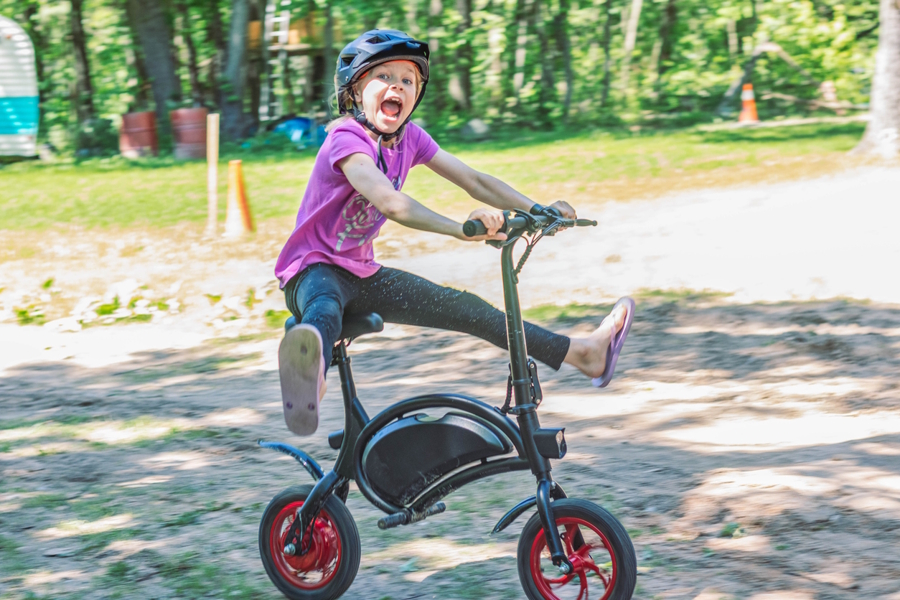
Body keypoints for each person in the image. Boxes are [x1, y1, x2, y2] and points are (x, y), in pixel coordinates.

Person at [275, 29, 634, 435]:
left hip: (362, 274)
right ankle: (310, 377)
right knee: (323, 307)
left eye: (407, 80)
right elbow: (391, 203)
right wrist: (460, 230)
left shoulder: (409, 138)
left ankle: (586, 354)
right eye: (383, 76)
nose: (397, 86)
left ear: (416, 94)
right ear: (355, 92)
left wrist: (537, 210)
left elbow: (473, 180)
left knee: (468, 309)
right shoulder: (346, 139)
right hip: (311, 270)